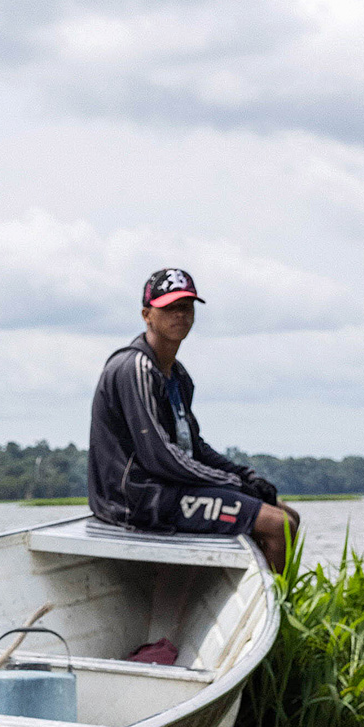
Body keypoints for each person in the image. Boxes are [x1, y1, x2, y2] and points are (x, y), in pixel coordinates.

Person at [87, 269, 298, 658]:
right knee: (277, 525)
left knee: (288, 514)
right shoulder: (135, 369)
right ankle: (269, 639)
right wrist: (235, 487)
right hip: (138, 499)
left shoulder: (177, 376)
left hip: (166, 488)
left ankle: (265, 620)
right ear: (146, 314)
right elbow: (160, 457)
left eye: (186, 307)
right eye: (169, 308)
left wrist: (245, 476)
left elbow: (192, 446)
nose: (179, 315)